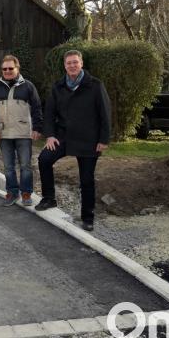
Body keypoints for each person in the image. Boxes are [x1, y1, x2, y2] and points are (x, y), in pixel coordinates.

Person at [36, 50, 111, 232]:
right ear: (64, 65)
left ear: (81, 63)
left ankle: (88, 217)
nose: (72, 65)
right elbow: (49, 113)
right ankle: (49, 198)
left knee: (86, 179)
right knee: (44, 159)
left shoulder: (95, 85)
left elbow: (105, 114)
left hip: (88, 139)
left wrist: (103, 139)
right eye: (69, 63)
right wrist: (51, 135)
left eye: (75, 62)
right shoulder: (58, 87)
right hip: (63, 137)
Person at [0, 55, 43, 207]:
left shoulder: (28, 86)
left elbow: (37, 108)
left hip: (24, 134)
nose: (8, 71)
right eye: (4, 69)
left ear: (17, 69)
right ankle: (12, 192)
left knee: (25, 165)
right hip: (4, 134)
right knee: (8, 167)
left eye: (11, 68)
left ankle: (26, 193)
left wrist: (37, 128)